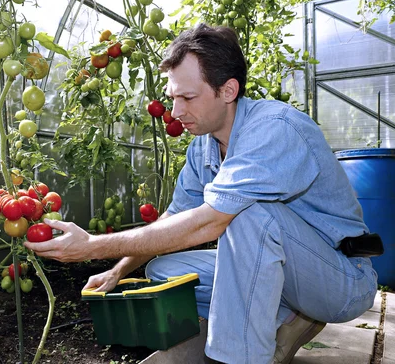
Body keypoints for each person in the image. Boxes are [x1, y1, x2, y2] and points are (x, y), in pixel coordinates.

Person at [24, 24, 378, 364]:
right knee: (164, 268)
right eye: (173, 97)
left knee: (249, 213)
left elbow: (207, 224)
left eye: (188, 97)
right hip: (286, 272)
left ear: (228, 91)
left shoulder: (274, 129)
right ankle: (286, 317)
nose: (176, 112)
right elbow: (175, 220)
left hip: (341, 277)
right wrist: (118, 270)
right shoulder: (203, 147)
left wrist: (91, 247)